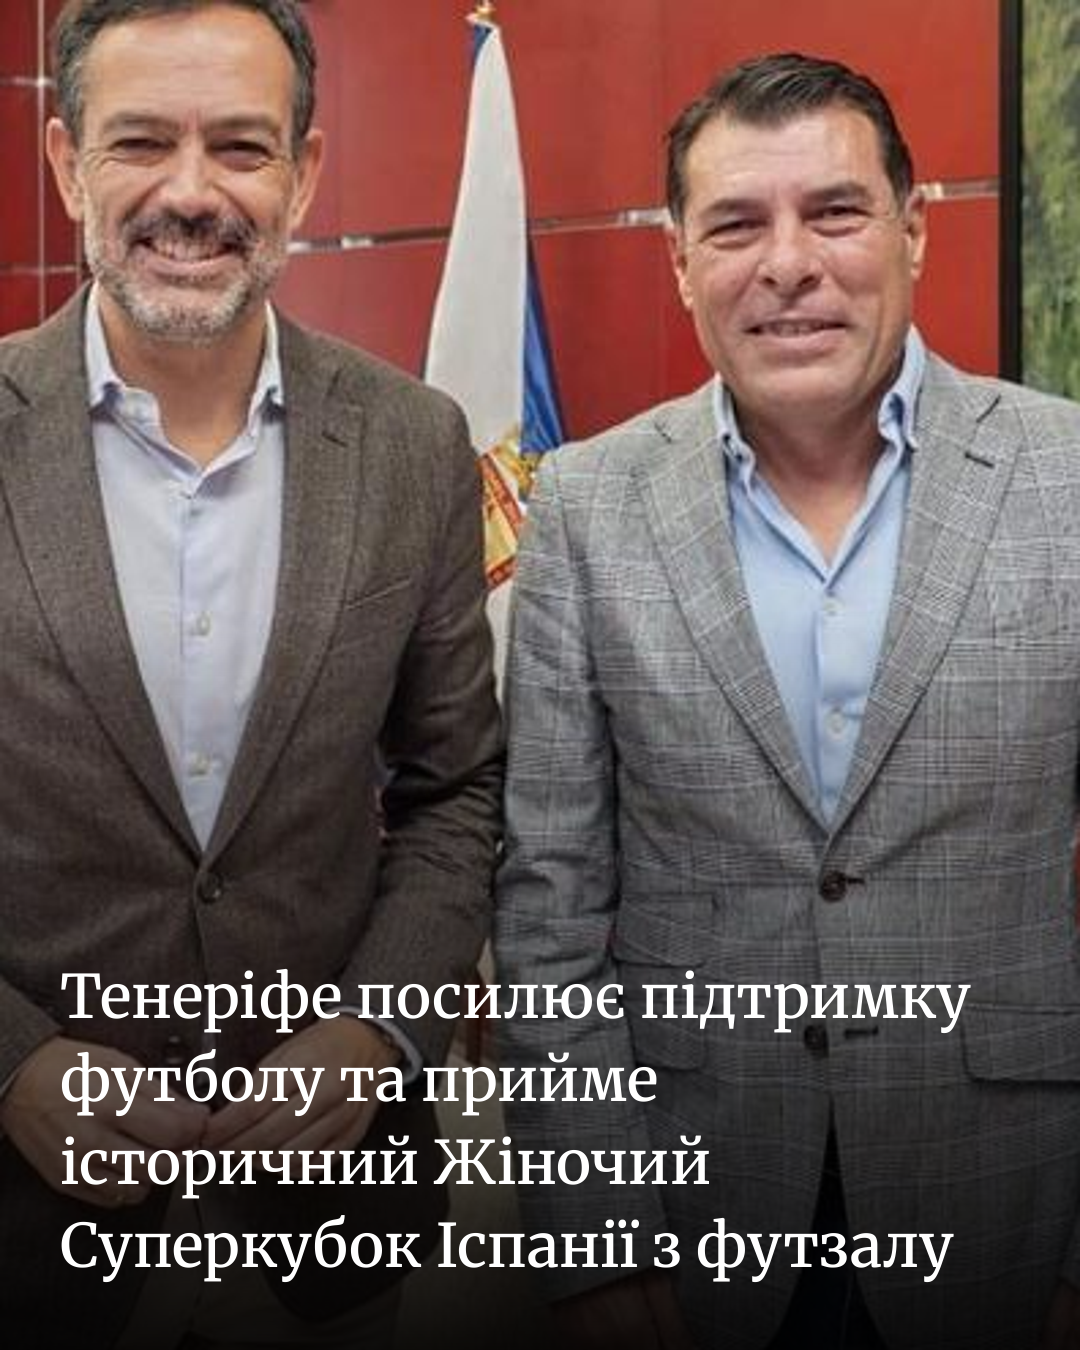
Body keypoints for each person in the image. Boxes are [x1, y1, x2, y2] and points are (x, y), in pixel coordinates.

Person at [495, 51, 1080, 1350]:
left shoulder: (1067, 481)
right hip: (690, 1223)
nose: (788, 265)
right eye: (735, 226)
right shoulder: (586, 508)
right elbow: (547, 912)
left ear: (914, 229)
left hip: (1013, 1213)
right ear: (678, 261)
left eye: (834, 212)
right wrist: (593, 1244)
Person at [0, 2, 501, 1346]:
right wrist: (12, 1065)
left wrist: (381, 1030)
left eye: (239, 145)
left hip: (331, 1219)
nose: (191, 192)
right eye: (139, 143)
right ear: (66, 166)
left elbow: (460, 790)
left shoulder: (412, 443)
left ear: (304, 172)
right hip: (27, 1225)